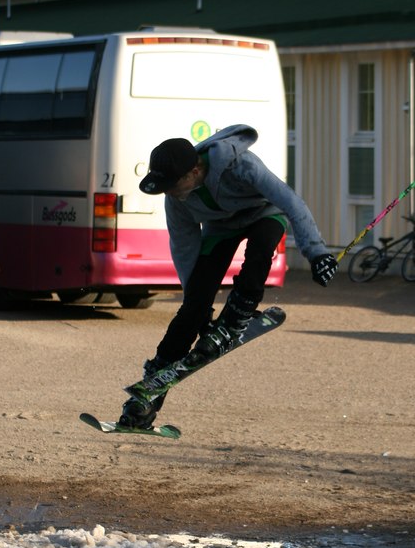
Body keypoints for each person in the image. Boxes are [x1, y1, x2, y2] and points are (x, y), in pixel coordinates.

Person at [119, 123, 337, 428]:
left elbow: (291, 201)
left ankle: (237, 317)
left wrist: (317, 253)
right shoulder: (176, 200)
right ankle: (146, 398)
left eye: (172, 184)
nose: (169, 192)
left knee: (260, 251)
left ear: (194, 172)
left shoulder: (240, 165)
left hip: (265, 213)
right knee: (192, 309)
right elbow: (184, 249)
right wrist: (198, 303)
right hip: (221, 229)